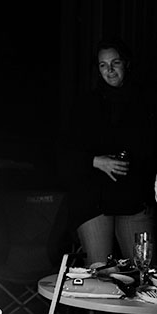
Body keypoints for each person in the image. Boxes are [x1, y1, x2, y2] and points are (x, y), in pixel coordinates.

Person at [58, 38, 156, 266]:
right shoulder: (85, 104)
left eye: (115, 63)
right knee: (99, 270)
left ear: (126, 64)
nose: (110, 70)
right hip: (94, 198)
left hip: (133, 196)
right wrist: (96, 161)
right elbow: (64, 153)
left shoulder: (145, 103)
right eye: (103, 65)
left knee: (144, 271)